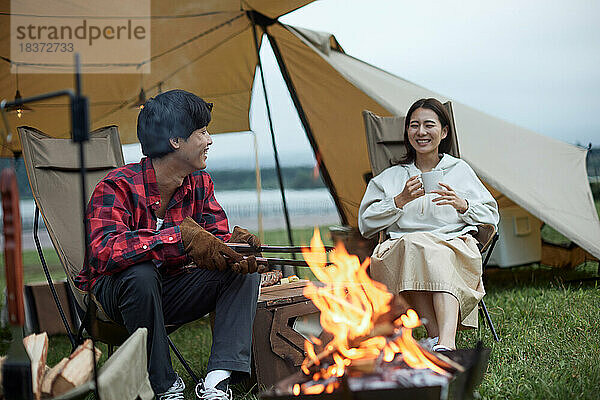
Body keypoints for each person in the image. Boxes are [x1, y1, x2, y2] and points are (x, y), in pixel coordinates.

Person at [74, 89, 261, 400]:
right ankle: (163, 385)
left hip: (170, 290)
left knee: (241, 270)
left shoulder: (200, 183)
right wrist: (176, 238)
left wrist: (235, 249)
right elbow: (104, 251)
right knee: (141, 273)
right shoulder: (116, 186)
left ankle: (217, 381)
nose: (209, 140)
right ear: (176, 140)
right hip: (116, 297)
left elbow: (214, 239)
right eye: (202, 132)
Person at [358, 98, 499, 351]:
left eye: (428, 125)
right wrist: (399, 200)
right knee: (416, 247)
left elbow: (491, 215)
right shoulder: (391, 177)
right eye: (414, 125)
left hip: (454, 246)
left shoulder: (459, 170)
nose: (421, 132)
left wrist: (463, 204)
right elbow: (365, 222)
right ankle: (442, 342)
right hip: (402, 249)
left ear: (444, 132)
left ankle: (441, 341)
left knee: (433, 251)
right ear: (407, 133)